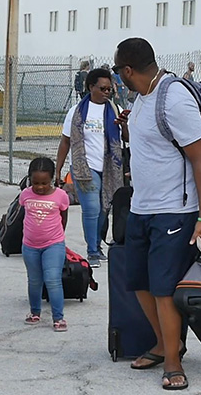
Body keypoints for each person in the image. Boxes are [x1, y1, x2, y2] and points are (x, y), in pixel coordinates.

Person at [113, 37, 201, 391]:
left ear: (127, 70)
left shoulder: (174, 98)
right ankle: (164, 343)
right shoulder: (141, 99)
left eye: (118, 71)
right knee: (139, 282)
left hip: (174, 211)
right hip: (141, 207)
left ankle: (173, 361)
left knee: (164, 289)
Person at [54, 68, 125, 268]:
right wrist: (58, 170)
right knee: (92, 209)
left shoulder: (114, 109)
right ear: (90, 87)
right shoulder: (76, 111)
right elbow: (65, 142)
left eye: (109, 89)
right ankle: (92, 251)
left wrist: (124, 125)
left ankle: (97, 245)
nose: (106, 92)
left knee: (104, 209)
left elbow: (126, 138)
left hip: (110, 168)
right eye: (102, 88)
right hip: (84, 168)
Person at [20, 157, 70, 332]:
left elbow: (63, 216)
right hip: (30, 245)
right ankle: (35, 312)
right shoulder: (25, 194)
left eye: (45, 183)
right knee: (34, 280)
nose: (40, 187)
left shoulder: (61, 196)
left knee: (52, 280)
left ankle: (58, 318)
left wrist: (58, 237)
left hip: (53, 245)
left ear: (52, 180)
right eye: (36, 183)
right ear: (30, 179)